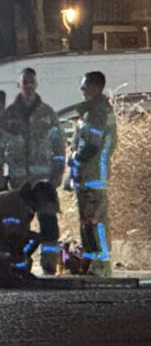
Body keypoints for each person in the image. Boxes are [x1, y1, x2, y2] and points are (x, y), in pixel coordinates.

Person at [0, 67, 66, 274]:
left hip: (44, 180)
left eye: (31, 82)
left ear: (36, 85)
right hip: (19, 180)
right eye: (25, 83)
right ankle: (20, 264)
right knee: (18, 225)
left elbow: (59, 146)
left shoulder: (48, 114)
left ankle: (49, 264)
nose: (29, 86)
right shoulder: (9, 116)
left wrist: (57, 174)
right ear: (19, 86)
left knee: (48, 222)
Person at [67, 71, 117, 277]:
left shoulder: (97, 112)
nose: (82, 89)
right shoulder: (93, 111)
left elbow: (91, 145)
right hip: (88, 174)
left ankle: (102, 263)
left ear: (96, 87)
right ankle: (92, 260)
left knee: (96, 219)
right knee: (89, 220)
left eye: (85, 85)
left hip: (93, 174)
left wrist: (76, 160)